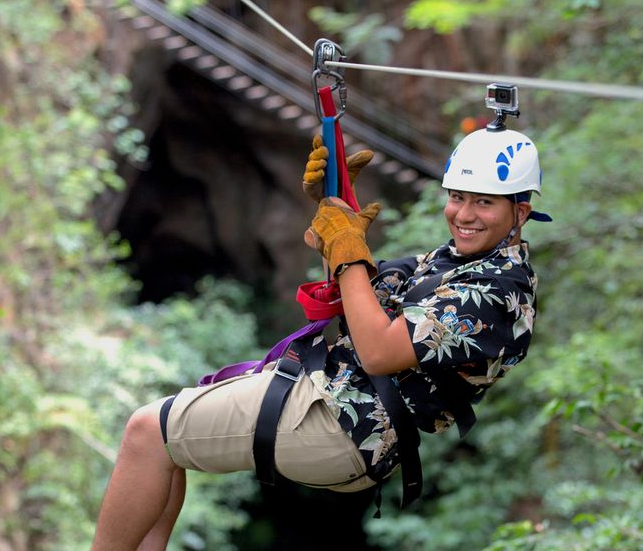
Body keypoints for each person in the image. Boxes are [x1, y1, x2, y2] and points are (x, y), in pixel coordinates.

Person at [90, 125, 550, 551]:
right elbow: (350, 292)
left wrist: (349, 254)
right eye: (457, 197)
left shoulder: (494, 292)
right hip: (331, 399)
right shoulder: (451, 262)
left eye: (484, 202)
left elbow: (377, 352)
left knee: (147, 433)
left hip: (343, 424)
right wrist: (333, 212)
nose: (464, 214)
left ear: (520, 212)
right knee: (164, 444)